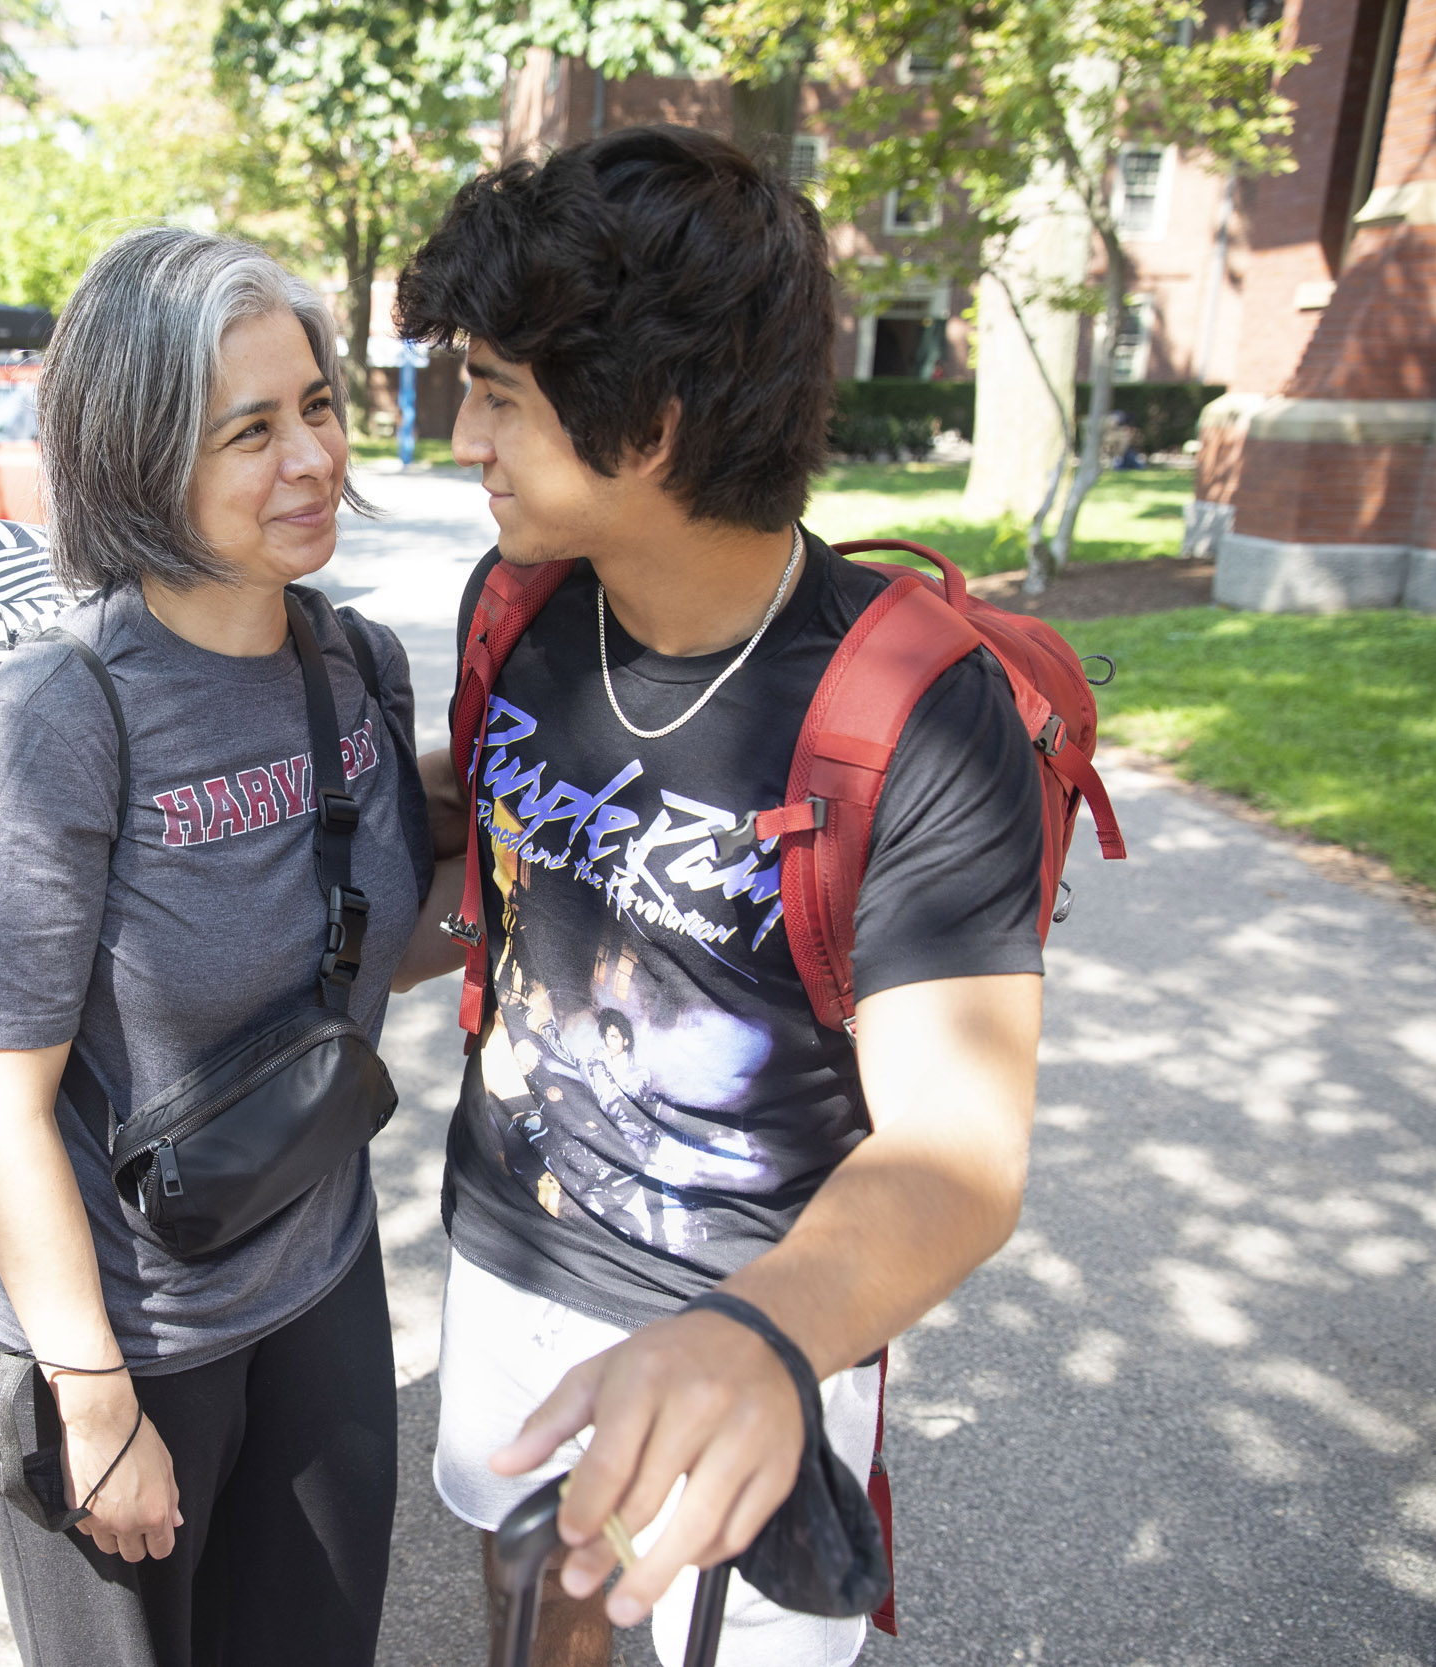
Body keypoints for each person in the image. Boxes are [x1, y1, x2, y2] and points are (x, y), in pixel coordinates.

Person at [388, 125, 1048, 1666]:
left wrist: (759, 1337)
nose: (462, 436)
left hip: (759, 1318)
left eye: (495, 392)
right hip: (513, 1252)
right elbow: (483, 857)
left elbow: (961, 1150)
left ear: (656, 421)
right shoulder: (526, 603)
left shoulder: (916, 708)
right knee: (529, 1608)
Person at [0, 226, 430, 1667]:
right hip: (118, 1326)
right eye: (250, 431)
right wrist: (93, 1403)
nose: (313, 458)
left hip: (318, 1267)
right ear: (145, 458)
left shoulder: (353, 668)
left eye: (318, 406)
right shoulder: (58, 725)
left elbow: (364, 946)